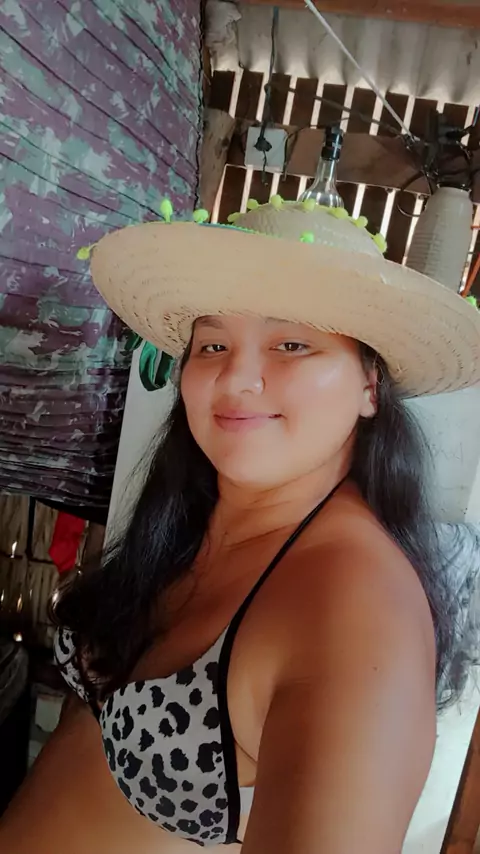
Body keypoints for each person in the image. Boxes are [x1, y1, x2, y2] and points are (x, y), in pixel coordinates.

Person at [1, 198, 479, 854]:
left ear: (371, 385)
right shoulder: (196, 517)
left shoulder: (356, 609)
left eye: (292, 344)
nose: (236, 376)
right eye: (214, 344)